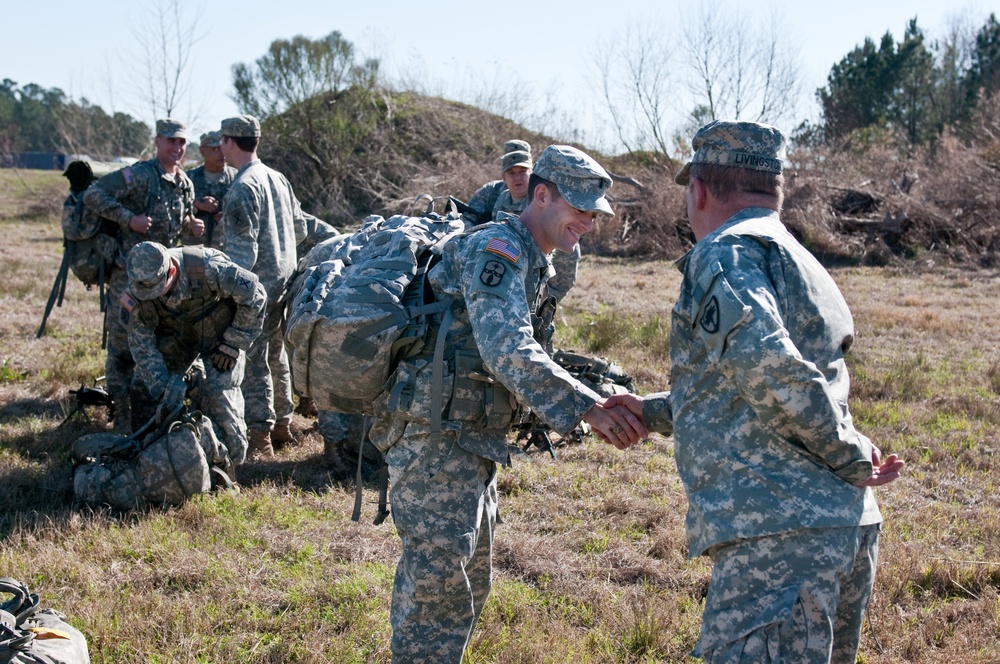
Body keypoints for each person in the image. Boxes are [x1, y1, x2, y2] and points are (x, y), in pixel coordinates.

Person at [604, 120, 905, 663]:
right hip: (840, 527)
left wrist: (852, 452)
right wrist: (650, 413)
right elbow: (747, 388)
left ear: (697, 189)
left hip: (780, 538)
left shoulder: (726, 253)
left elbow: (770, 367)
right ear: (776, 189)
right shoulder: (801, 258)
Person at [368, 144, 648, 663]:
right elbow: (506, 346)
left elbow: (521, 347)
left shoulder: (534, 258)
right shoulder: (500, 248)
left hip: (472, 435)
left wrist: (597, 387)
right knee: (438, 592)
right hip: (433, 436)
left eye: (593, 212)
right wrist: (586, 408)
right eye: (579, 208)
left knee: (469, 582)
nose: (588, 222)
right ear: (540, 195)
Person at [83, 118, 202, 433]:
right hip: (129, 280)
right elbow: (93, 195)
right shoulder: (139, 175)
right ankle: (122, 416)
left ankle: (151, 414)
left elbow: (182, 227)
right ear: (157, 142)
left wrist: (193, 226)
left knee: (157, 346)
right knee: (122, 348)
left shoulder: (184, 183)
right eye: (170, 141)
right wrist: (128, 218)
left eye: (181, 143)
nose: (176, 148)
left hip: (167, 284)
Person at [122, 241, 267, 466]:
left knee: (220, 392)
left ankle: (227, 462)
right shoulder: (138, 287)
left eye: (155, 291)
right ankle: (150, 456)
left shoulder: (206, 267)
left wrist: (234, 342)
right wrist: (163, 390)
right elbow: (143, 348)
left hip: (220, 341)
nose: (149, 297)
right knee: (144, 388)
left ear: (171, 271)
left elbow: (256, 295)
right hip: (176, 341)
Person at [218, 114, 309, 459]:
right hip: (284, 281)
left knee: (255, 362)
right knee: (278, 355)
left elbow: (242, 254)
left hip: (257, 287)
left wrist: (229, 294)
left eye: (222, 142)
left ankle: (261, 436)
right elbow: (299, 230)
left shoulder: (243, 186)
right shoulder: (277, 178)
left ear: (229, 142)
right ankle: (283, 424)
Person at [465, 139, 581, 304]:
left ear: (532, 173)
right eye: (511, 172)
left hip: (541, 286)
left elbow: (567, 258)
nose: (517, 177)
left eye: (522, 171)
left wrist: (546, 301)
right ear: (503, 177)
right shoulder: (501, 199)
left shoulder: (547, 202)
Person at [183, 130, 236, 249]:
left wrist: (228, 216)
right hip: (195, 248)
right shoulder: (188, 178)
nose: (221, 153)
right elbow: (174, 209)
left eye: (223, 148)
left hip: (226, 249)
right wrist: (195, 203)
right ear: (202, 151)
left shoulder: (236, 178)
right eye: (215, 149)